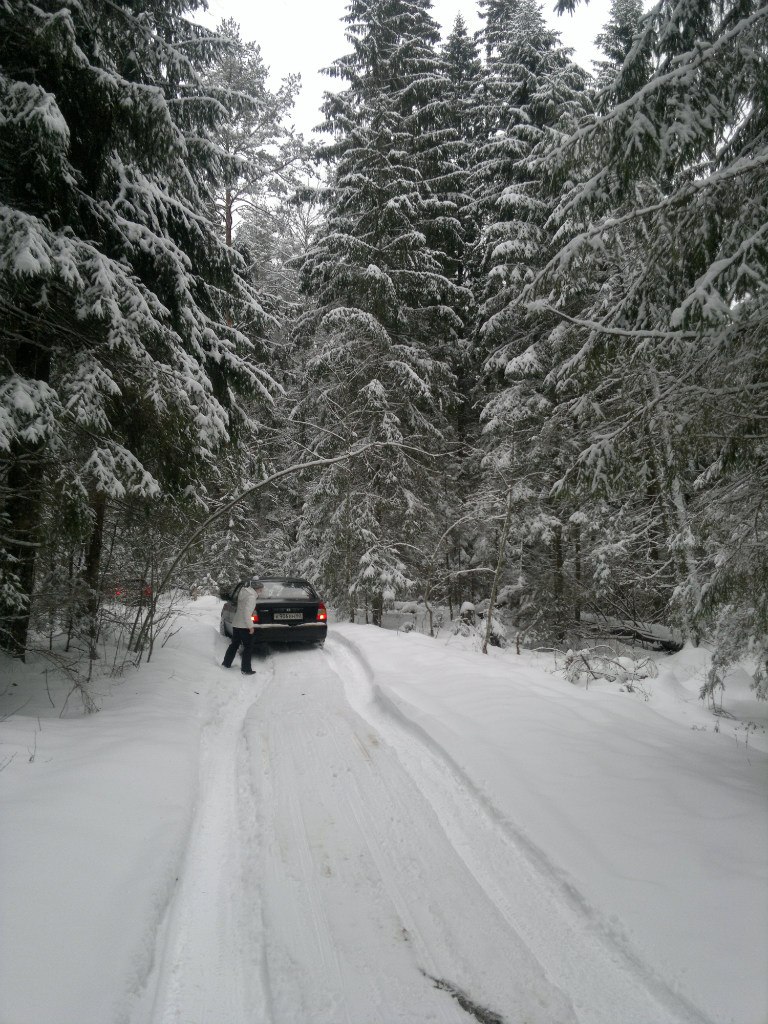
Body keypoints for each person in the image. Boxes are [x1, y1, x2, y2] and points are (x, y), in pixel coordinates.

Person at [222, 580, 261, 675]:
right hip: (244, 625)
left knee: (234, 644)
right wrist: (250, 627)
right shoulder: (251, 597)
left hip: (236, 623)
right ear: (257, 589)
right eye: (261, 589)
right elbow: (247, 613)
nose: (261, 591)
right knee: (248, 647)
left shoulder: (243, 593)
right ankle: (246, 669)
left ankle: (226, 663)